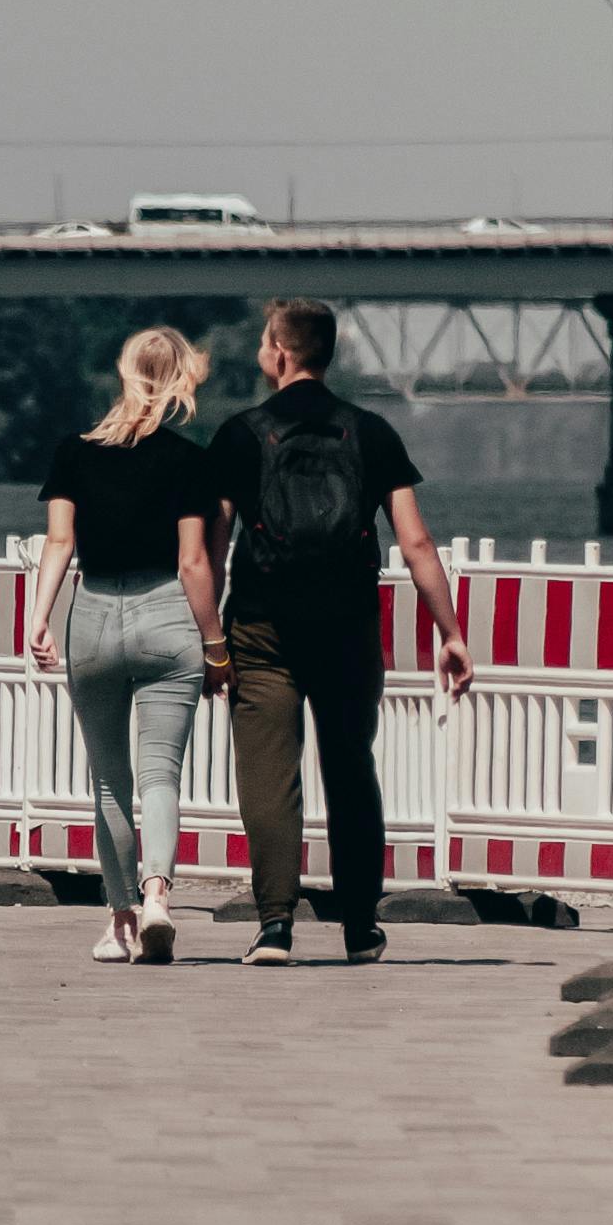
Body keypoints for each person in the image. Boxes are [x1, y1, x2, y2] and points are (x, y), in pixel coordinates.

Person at [205, 297, 474, 967]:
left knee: (269, 776)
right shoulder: (372, 432)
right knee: (351, 768)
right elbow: (415, 542)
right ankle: (360, 927)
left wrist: (210, 636)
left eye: (266, 342)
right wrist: (451, 631)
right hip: (348, 624)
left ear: (281, 352)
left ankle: (274, 926)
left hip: (261, 623)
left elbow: (210, 550)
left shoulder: (240, 433)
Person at [25, 326, 227, 964]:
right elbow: (195, 563)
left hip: (91, 617)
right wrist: (215, 643)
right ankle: (160, 896)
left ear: (124, 370)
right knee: (160, 775)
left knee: (110, 782)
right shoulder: (188, 460)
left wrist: (39, 617)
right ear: (179, 382)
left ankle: (121, 922)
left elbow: (59, 543)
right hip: (167, 612)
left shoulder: (74, 453)